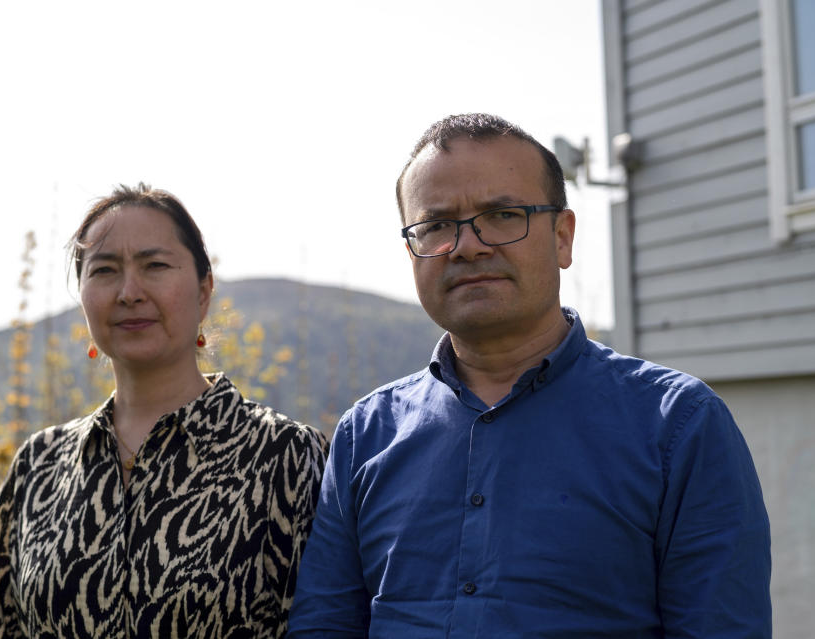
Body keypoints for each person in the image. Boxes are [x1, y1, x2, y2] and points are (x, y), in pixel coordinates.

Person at [288, 114, 771, 637]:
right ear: (412, 251)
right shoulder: (367, 433)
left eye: (502, 215)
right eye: (436, 225)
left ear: (563, 237)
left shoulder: (677, 425)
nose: (467, 245)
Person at [0, 183, 327, 638]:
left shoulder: (284, 455)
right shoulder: (39, 466)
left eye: (155, 266)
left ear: (203, 291)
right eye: (104, 270)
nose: (129, 292)